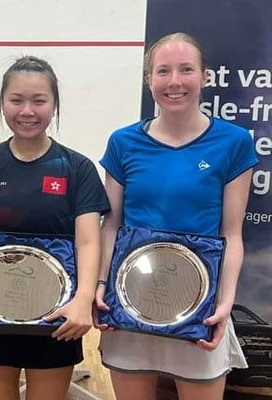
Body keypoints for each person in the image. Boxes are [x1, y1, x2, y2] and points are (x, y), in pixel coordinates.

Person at [94, 32, 258, 400]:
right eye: (162, 71)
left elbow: (232, 233)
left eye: (186, 69)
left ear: (205, 77)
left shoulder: (233, 143)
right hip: (129, 303)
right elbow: (111, 226)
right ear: (149, 80)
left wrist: (224, 302)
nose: (174, 82)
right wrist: (103, 286)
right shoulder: (123, 142)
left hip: (199, 305)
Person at [0, 56, 110, 400]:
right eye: (16, 100)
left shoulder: (77, 169)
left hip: (56, 316)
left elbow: (88, 242)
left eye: (39, 100)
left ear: (54, 105)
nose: (27, 111)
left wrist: (83, 301)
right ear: (3, 103)